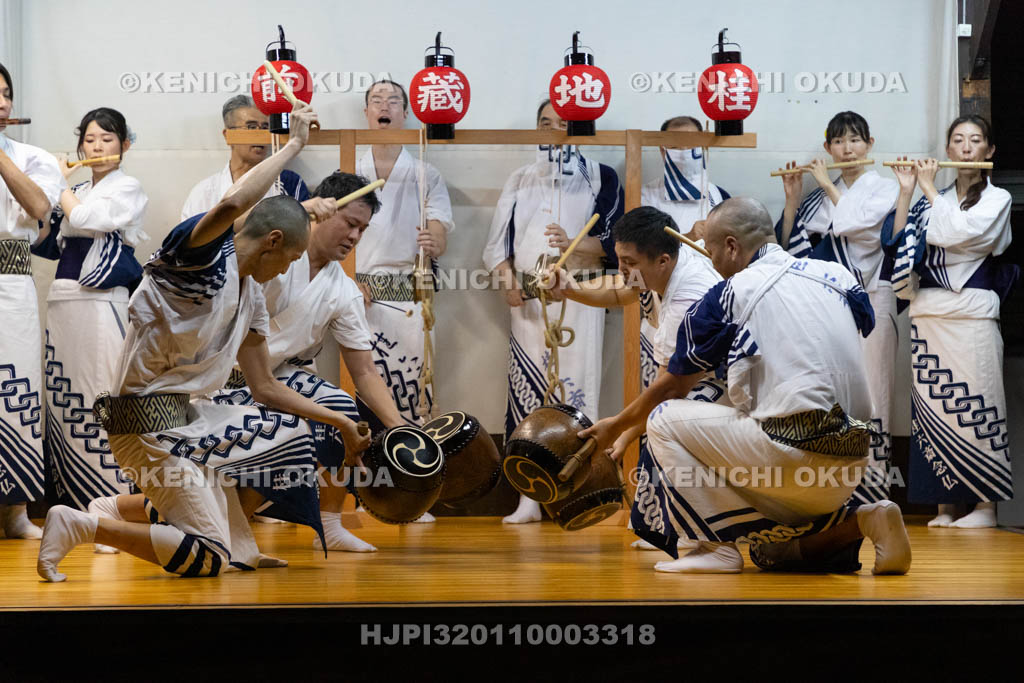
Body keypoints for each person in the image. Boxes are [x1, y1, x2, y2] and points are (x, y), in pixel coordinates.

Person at [36, 102, 372, 582]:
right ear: (273, 240)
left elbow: (265, 389)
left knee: (289, 437)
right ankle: (85, 525)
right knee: (208, 557)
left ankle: (235, 542)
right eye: (291, 257)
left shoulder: (251, 294)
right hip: (144, 427)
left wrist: (340, 421)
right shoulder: (193, 260)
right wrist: (294, 146)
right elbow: (233, 206)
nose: (289, 269)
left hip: (188, 421)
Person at [581, 197, 912, 575]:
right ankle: (865, 519)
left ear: (732, 246)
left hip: (788, 459)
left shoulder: (729, 293)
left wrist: (616, 426)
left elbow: (673, 387)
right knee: (771, 551)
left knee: (663, 418)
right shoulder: (839, 276)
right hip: (851, 464)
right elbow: (863, 323)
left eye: (711, 251)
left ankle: (714, 548)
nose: (710, 262)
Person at [546, 206, 724, 548]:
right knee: (658, 422)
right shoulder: (670, 255)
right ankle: (667, 529)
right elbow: (620, 290)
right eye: (620, 259)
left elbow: (667, 391)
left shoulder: (688, 296)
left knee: (665, 422)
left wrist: (621, 432)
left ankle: (708, 541)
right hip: (697, 377)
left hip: (726, 383)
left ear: (662, 262)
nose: (623, 269)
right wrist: (568, 289)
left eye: (629, 262)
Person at [482, 98, 623, 524]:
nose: (554, 131)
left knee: (578, 390)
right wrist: (507, 282)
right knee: (529, 390)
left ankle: (576, 491)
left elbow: (615, 247)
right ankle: (528, 495)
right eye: (545, 123)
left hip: (582, 300)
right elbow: (496, 244)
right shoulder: (521, 177)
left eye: (563, 124)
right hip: (529, 302)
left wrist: (574, 245)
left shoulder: (603, 176)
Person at [885, 114, 1015, 528]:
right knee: (933, 409)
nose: (965, 148)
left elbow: (961, 234)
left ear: (988, 151)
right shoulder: (929, 197)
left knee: (979, 404)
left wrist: (926, 188)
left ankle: (984, 507)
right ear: (947, 149)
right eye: (957, 140)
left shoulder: (998, 199)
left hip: (972, 313)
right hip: (931, 312)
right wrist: (908, 192)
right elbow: (897, 243)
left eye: (975, 141)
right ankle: (943, 506)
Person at [776, 111, 899, 506]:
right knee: (832, 392)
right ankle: (832, 493)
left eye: (856, 140)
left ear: (869, 145)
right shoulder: (817, 199)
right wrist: (793, 200)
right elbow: (789, 248)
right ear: (828, 147)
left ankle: (873, 489)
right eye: (839, 142)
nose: (848, 149)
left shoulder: (884, 189)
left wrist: (827, 183)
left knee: (873, 390)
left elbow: (856, 225)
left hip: (871, 300)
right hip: (827, 310)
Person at [31, 107, 148, 515]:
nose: (97, 147)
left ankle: (111, 504)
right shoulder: (76, 185)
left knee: (101, 395)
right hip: (63, 298)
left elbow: (83, 217)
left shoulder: (128, 187)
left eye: (107, 139)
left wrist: (57, 184)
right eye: (90, 139)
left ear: (124, 145)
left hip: (102, 301)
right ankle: (70, 504)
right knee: (62, 397)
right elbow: (44, 234)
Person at [355, 79, 454, 434]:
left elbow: (441, 232)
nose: (385, 106)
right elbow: (330, 237)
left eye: (394, 101)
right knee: (362, 397)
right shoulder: (350, 168)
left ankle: (412, 471)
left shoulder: (425, 171)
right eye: (377, 100)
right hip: (359, 297)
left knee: (412, 391)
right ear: (365, 112)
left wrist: (434, 240)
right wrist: (347, 281)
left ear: (406, 112)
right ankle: (366, 480)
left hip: (410, 299)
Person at [0, 62, 65, 539]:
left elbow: (41, 210)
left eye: (5, 94)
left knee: (15, 391)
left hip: (11, 286)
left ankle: (15, 512)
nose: (2, 103)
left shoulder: (33, 156)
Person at [639, 115, 730, 394]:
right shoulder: (645, 195)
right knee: (656, 390)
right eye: (675, 144)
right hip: (661, 306)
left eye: (691, 143)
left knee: (705, 391)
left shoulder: (719, 196)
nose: (683, 151)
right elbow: (640, 254)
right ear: (661, 149)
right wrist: (689, 237)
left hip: (710, 310)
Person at [181, 95, 308, 220]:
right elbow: (191, 239)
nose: (260, 134)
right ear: (228, 135)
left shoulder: (288, 182)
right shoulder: (204, 193)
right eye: (251, 127)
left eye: (265, 128)